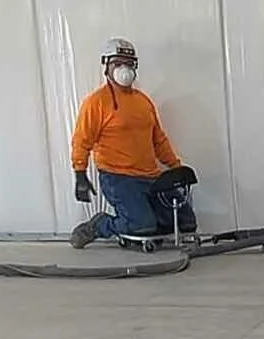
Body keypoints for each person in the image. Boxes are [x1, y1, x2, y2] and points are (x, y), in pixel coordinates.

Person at [69, 38, 190, 249]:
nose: (124, 69)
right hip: (119, 178)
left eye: (129, 63)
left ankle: (145, 224)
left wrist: (175, 167)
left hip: (151, 176)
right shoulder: (96, 103)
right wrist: (80, 173)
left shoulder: (143, 102)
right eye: (118, 63)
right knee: (142, 227)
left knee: (186, 223)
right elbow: (82, 139)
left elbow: (158, 139)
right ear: (107, 66)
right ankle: (101, 225)